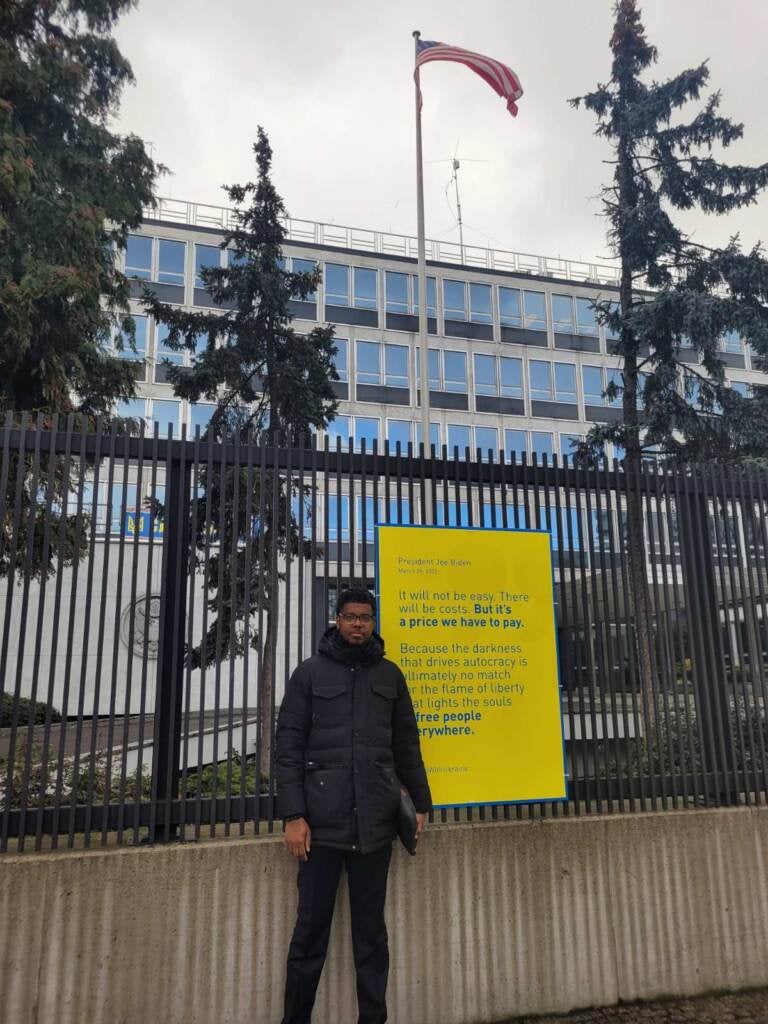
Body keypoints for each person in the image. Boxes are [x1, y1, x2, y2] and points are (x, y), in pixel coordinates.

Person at [276, 586, 431, 1024]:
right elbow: (287, 746)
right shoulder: (308, 674)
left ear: (373, 621)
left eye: (365, 616)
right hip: (320, 831)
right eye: (350, 616)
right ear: (337, 619)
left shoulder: (390, 676)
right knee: (308, 936)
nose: (358, 623)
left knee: (371, 939)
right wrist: (293, 815)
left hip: (376, 830)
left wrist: (420, 803)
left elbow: (406, 745)